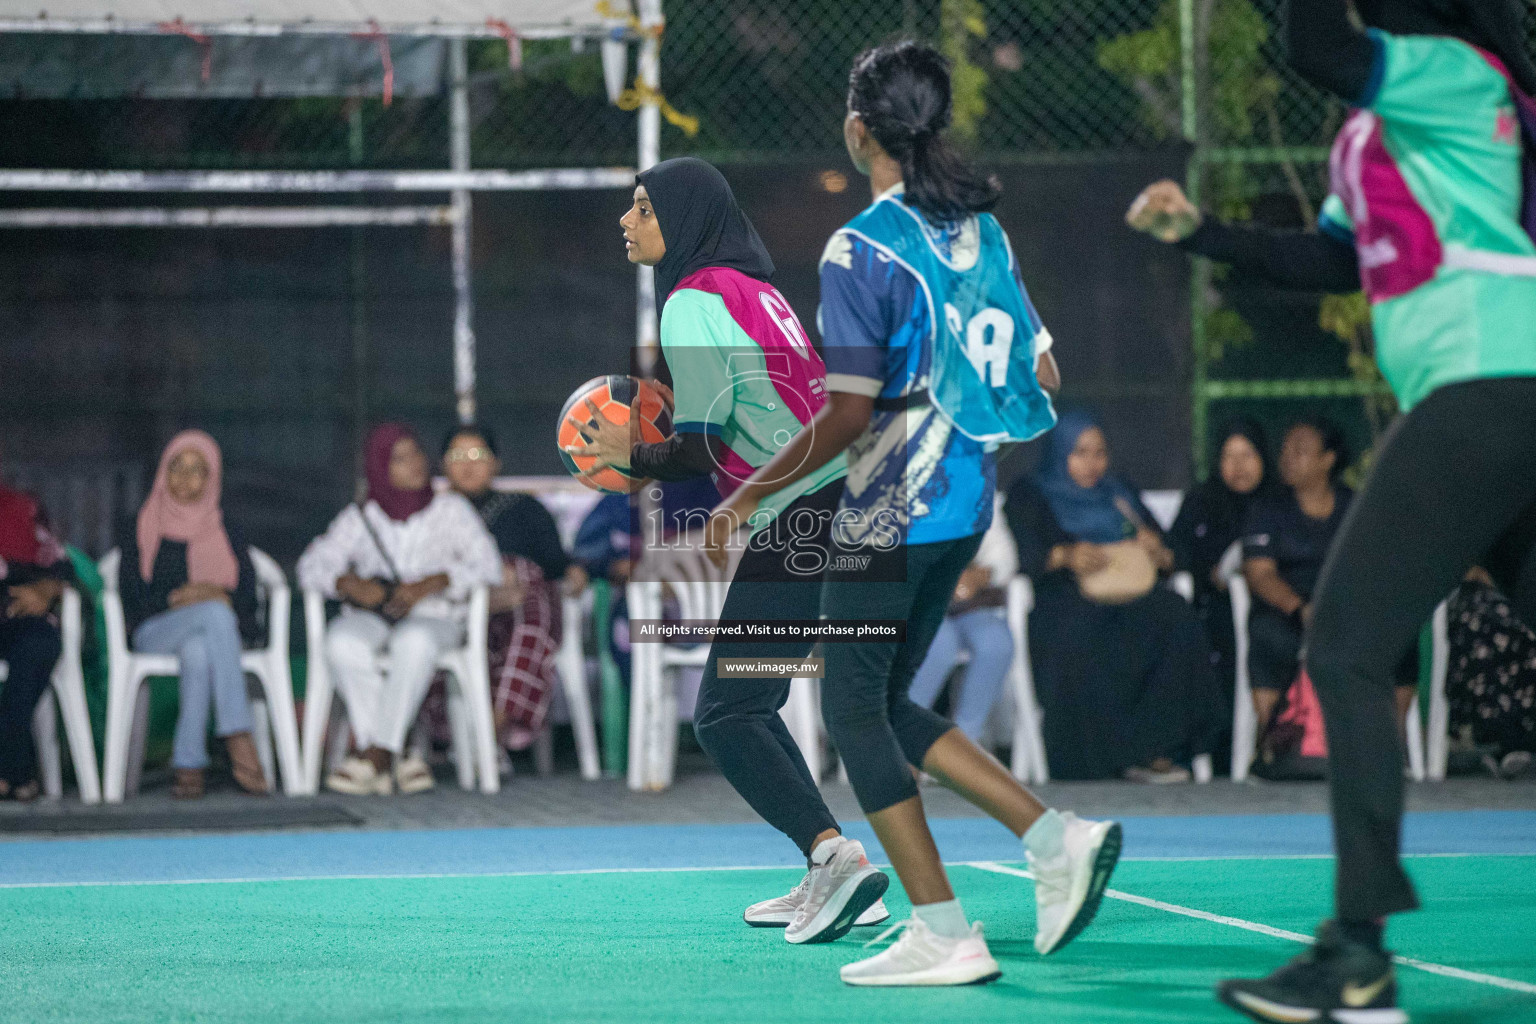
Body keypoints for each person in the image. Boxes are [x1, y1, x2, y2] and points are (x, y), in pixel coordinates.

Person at [1128, 0, 1536, 1018]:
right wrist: (1202, 233)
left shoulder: (1456, 70)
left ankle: (1358, 953)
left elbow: (1314, 41)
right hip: (1489, 390)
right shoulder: (1378, 119)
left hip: (1491, 378)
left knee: (1347, 647)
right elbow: (1331, 259)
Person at [702, 42, 1120, 987]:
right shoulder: (983, 234)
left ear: (859, 130)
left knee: (853, 714)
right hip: (968, 503)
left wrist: (750, 493)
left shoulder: (862, 246)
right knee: (885, 701)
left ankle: (943, 929)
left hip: (885, 515)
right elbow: (1042, 371)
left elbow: (848, 411)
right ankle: (1054, 838)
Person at [566, 155, 892, 944]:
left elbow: (701, 447)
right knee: (751, 700)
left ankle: (834, 857)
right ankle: (835, 870)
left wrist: (626, 454)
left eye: (642, 208)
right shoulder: (758, 291)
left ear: (678, 220)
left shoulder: (690, 300)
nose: (626, 220)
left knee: (722, 714)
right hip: (850, 504)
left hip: (806, 513)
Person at [1005, 412, 1224, 782]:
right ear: (1060, 453)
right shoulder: (1031, 492)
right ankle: (1092, 763)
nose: (1093, 464)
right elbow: (1025, 555)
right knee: (1079, 633)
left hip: (1135, 595)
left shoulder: (1119, 493)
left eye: (1100, 453)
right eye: (1081, 453)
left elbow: (1172, 552)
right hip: (1068, 597)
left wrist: (1160, 553)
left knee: (1177, 619)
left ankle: (1160, 752)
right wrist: (1066, 555)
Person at [298, 424, 500, 796]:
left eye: (417, 454)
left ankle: (374, 755)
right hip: (378, 616)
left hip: (437, 617)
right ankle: (400, 749)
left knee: (415, 641)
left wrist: (435, 581)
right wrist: (349, 584)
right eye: (400, 459)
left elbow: (489, 565)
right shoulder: (361, 517)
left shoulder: (451, 509)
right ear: (380, 468)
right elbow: (311, 566)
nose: (416, 465)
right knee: (341, 642)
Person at [117, 430, 266, 799]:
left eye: (196, 469)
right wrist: (185, 601)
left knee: (200, 649)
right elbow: (132, 597)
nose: (184, 478)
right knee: (214, 614)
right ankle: (236, 732)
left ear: (212, 476)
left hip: (207, 630)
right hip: (154, 630)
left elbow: (248, 597)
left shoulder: (225, 526)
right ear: (162, 472)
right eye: (176, 467)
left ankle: (189, 763)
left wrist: (213, 593)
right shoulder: (141, 523)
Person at [441, 425, 587, 754]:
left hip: (524, 600)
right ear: (443, 465)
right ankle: (458, 737)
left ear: (496, 463)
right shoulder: (433, 516)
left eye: (478, 455)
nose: (468, 464)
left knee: (529, 616)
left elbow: (556, 563)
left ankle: (491, 732)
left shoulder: (523, 507)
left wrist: (574, 570)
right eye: (458, 456)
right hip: (460, 604)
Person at [1240, 419, 1355, 740]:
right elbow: (1260, 573)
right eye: (1285, 450)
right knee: (1268, 634)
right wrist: (1299, 608)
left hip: (1344, 605)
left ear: (1328, 459)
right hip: (1287, 605)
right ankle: (1274, 743)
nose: (1288, 457)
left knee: (1396, 641)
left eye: (1300, 451)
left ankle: (1388, 742)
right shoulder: (1266, 508)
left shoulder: (1355, 507)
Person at [1168, 418, 1273, 732]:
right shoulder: (1201, 502)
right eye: (1229, 456)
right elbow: (1179, 555)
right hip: (1214, 610)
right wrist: (1211, 574)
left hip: (1272, 607)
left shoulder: (1277, 504)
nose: (1239, 466)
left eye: (1248, 456)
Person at [906, 496, 1016, 743]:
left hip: (964, 605)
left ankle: (966, 741)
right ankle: (904, 739)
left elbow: (1004, 557)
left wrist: (982, 574)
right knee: (938, 645)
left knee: (996, 644)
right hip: (911, 606)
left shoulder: (977, 490)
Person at [0, 463, 72, 802]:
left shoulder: (24, 508)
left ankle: (8, 768)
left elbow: (61, 567)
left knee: (38, 646)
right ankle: (15, 770)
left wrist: (46, 589)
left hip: (21, 615)